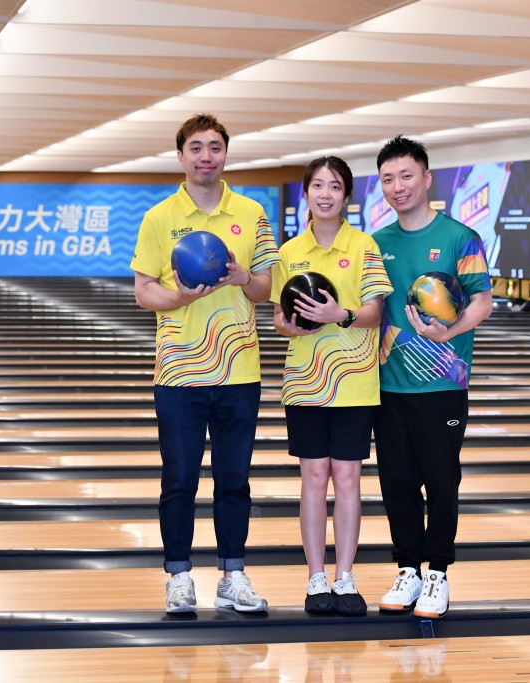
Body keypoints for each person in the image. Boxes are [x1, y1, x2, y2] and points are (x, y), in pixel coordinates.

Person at [130, 113, 279, 613]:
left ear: (225, 154)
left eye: (214, 147)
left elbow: (267, 287)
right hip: (178, 371)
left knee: (234, 479)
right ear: (180, 155)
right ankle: (178, 576)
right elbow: (143, 291)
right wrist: (180, 296)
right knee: (179, 479)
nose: (206, 156)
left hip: (239, 370)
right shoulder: (159, 217)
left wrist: (241, 278)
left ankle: (233, 575)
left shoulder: (252, 213)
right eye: (196, 148)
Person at [371, 135, 493, 619]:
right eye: (387, 179)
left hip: (443, 385)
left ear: (426, 178)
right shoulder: (377, 244)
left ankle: (437, 572)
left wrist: (449, 334)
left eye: (406, 176)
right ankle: (408, 570)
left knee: (441, 480)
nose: (397, 187)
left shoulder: (461, 238)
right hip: (387, 384)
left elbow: (482, 301)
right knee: (396, 481)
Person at [271, 156, 392, 616]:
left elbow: (375, 313)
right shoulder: (288, 253)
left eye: (335, 186)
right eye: (317, 185)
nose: (325, 193)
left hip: (356, 384)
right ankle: (315, 577)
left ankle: (345, 577)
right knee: (313, 478)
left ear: (346, 196)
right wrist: (294, 327)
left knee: (347, 479)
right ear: (306, 193)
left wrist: (337, 314)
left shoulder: (363, 246)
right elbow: (281, 319)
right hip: (304, 382)